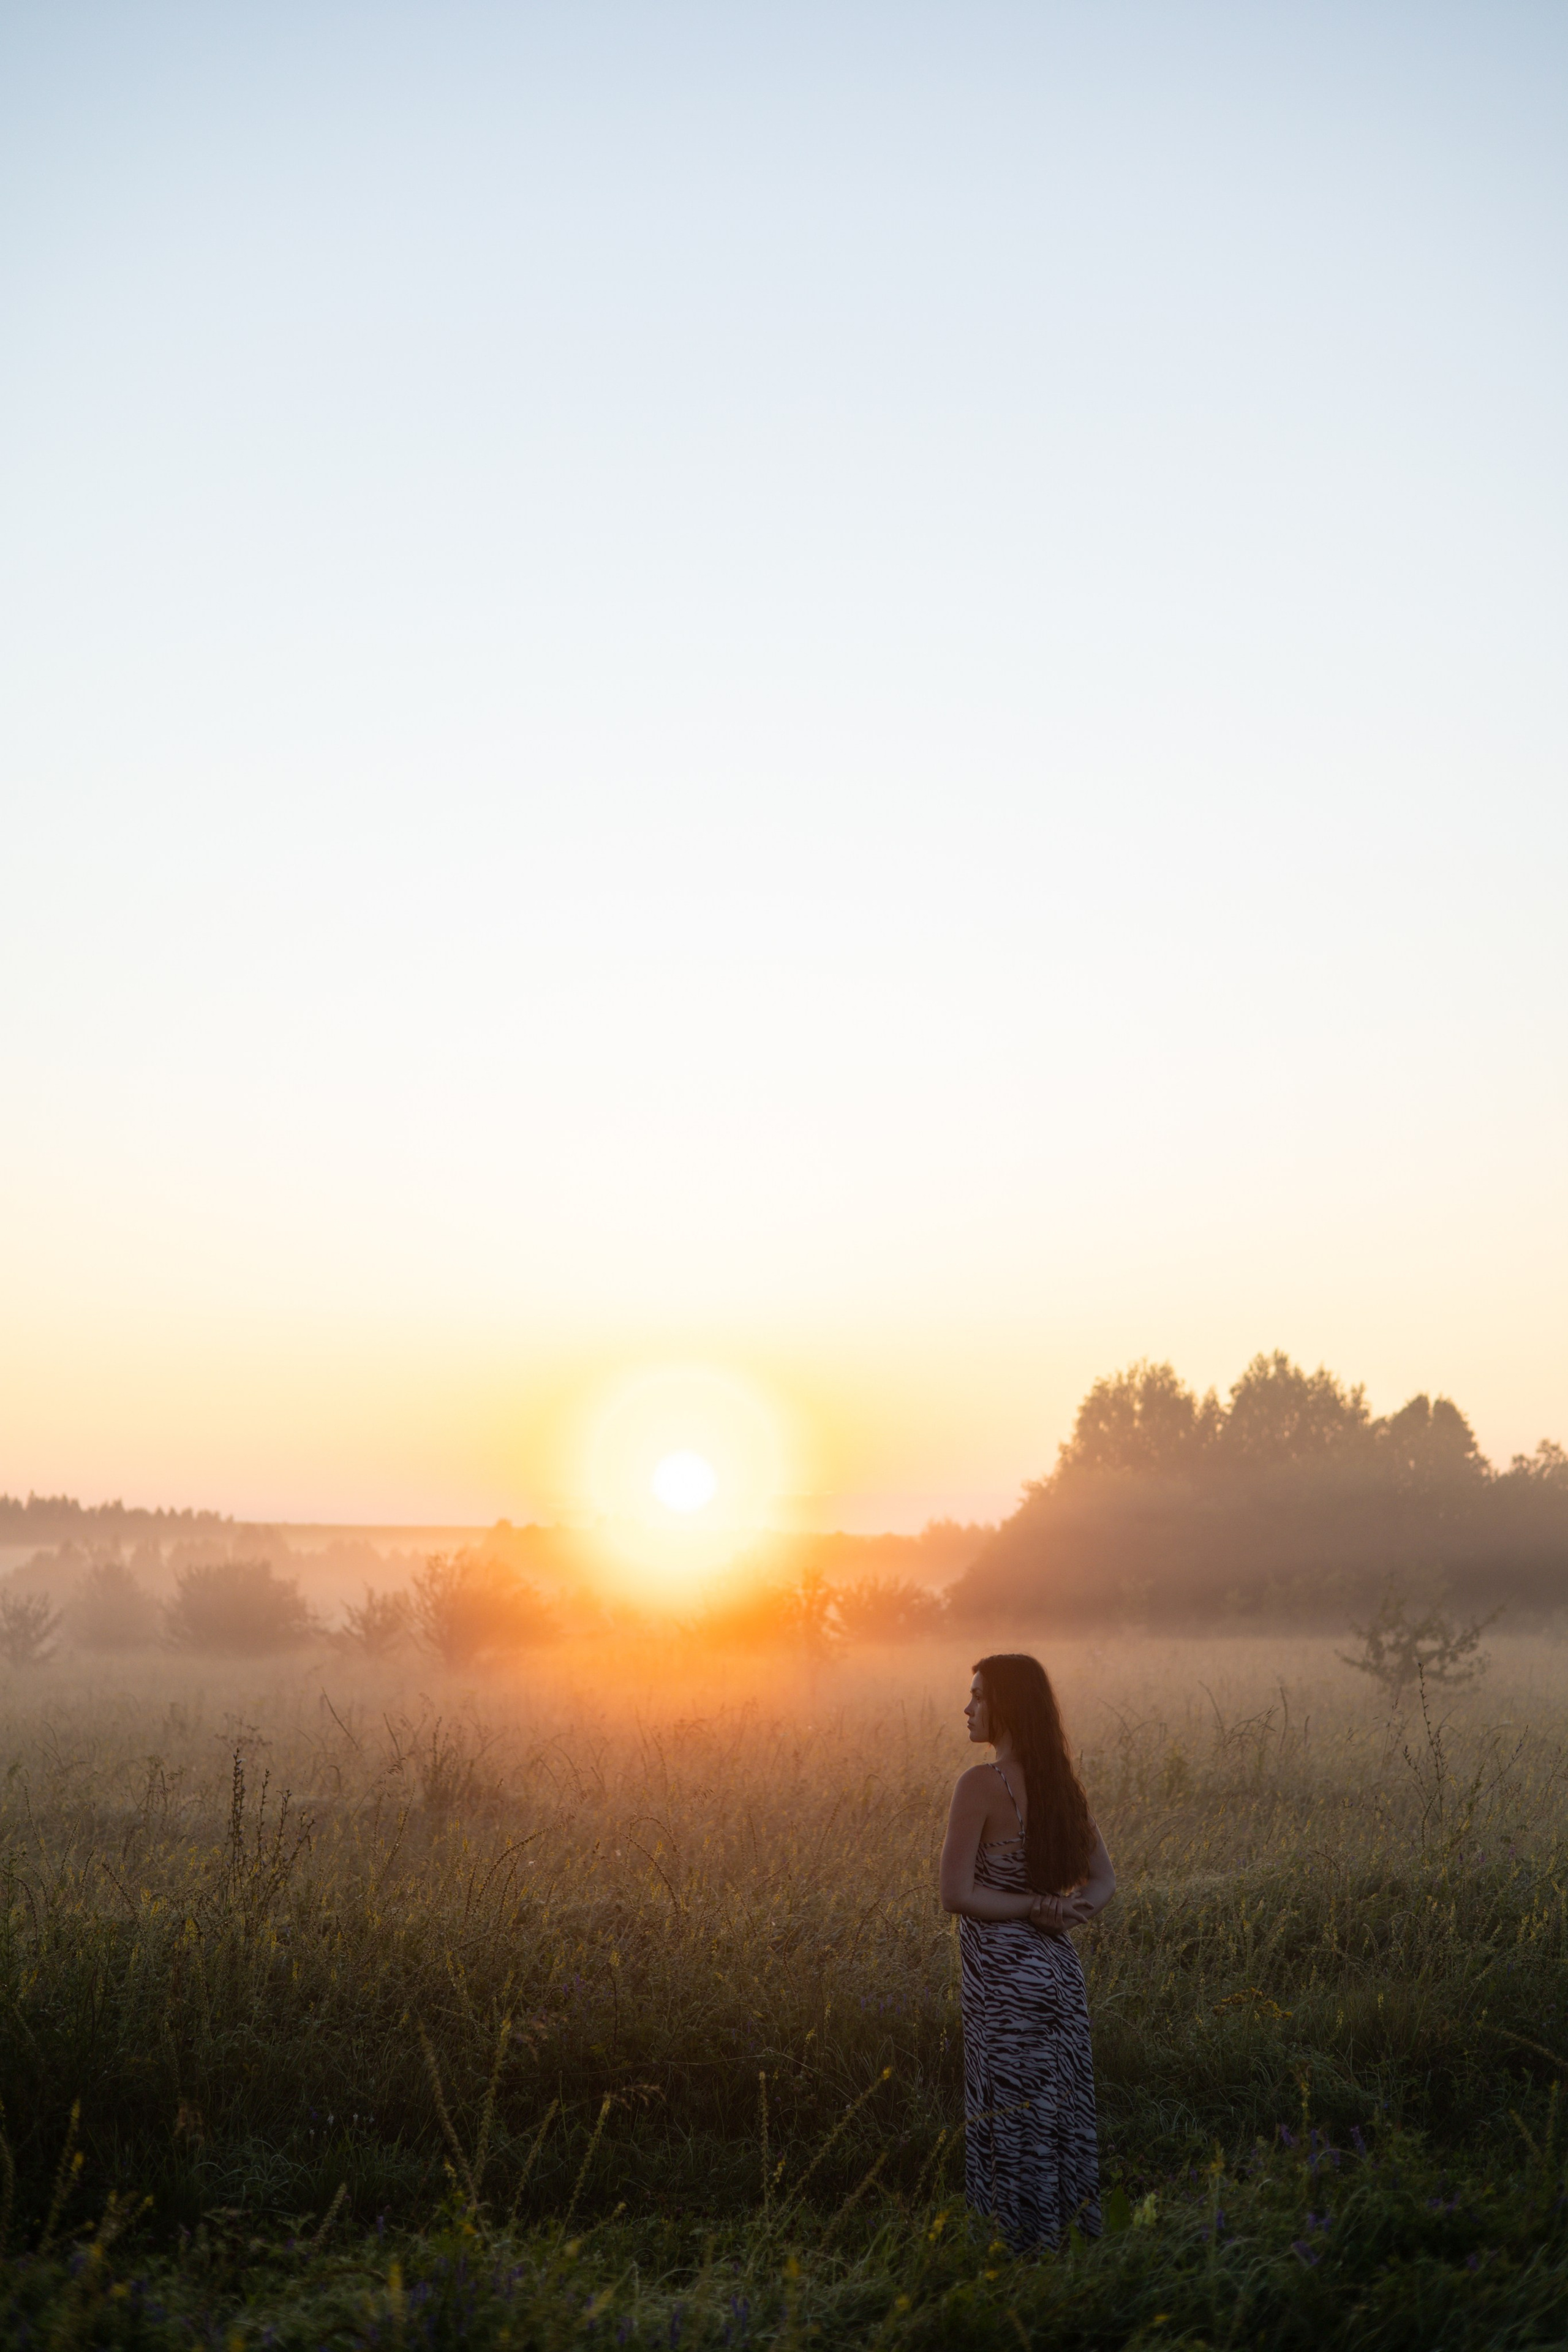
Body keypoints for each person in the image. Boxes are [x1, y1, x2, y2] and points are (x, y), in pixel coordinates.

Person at [939, 1651, 1115, 2251]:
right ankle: (1068, 2244)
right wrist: (1062, 1912)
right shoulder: (1059, 1786)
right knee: (1058, 2113)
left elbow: (955, 1894)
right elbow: (1104, 1881)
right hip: (1060, 1976)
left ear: (1007, 1706)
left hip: (1007, 1980)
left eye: (978, 1695)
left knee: (1010, 2119)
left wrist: (1028, 1908)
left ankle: (1019, 2251)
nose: (967, 1707)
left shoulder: (979, 1786)